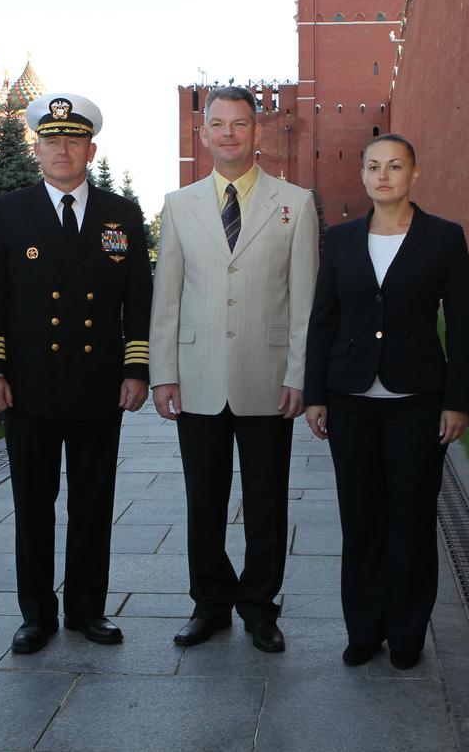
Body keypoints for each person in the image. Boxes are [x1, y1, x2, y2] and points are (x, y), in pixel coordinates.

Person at [0, 93, 152, 654]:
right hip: (28, 385)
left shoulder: (120, 213)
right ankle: (36, 614)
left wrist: (136, 367)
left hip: (98, 383)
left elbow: (138, 298)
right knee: (33, 502)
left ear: (91, 149)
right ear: (38, 150)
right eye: (52, 141)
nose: (62, 150)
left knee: (93, 503)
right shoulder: (9, 211)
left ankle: (87, 610)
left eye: (73, 141)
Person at [150, 86, 318, 652]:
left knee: (267, 498)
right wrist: (163, 373)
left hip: (268, 377)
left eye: (239, 124)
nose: (228, 134)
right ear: (203, 133)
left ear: (257, 132)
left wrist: (300, 373)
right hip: (197, 375)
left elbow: (304, 301)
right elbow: (166, 297)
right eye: (217, 124)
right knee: (205, 498)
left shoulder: (296, 202)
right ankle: (210, 603)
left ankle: (260, 606)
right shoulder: (178, 205)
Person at [303, 133, 469, 669]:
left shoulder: (444, 238)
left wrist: (457, 400)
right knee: (360, 518)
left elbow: (463, 325)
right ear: (363, 175)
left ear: (413, 174)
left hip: (417, 400)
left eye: (395, 166)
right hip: (350, 398)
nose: (384, 176)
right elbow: (323, 319)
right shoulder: (344, 239)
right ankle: (363, 629)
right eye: (374, 166)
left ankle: (406, 633)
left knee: (412, 517)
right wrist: (315, 394)